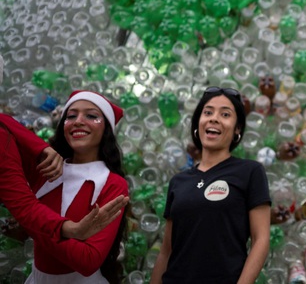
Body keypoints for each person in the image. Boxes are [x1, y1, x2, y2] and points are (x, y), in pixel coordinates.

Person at [1, 90, 129, 283]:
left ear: (106, 129)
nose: (78, 121)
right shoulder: (46, 168)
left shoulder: (112, 183)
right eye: (70, 116)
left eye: (91, 116)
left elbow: (87, 260)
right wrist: (40, 147)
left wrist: (30, 220)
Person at [150, 86, 271, 284]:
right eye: (208, 112)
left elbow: (261, 240)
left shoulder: (250, 172)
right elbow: (166, 251)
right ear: (199, 123)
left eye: (225, 114)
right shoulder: (178, 182)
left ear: (237, 129)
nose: (214, 118)